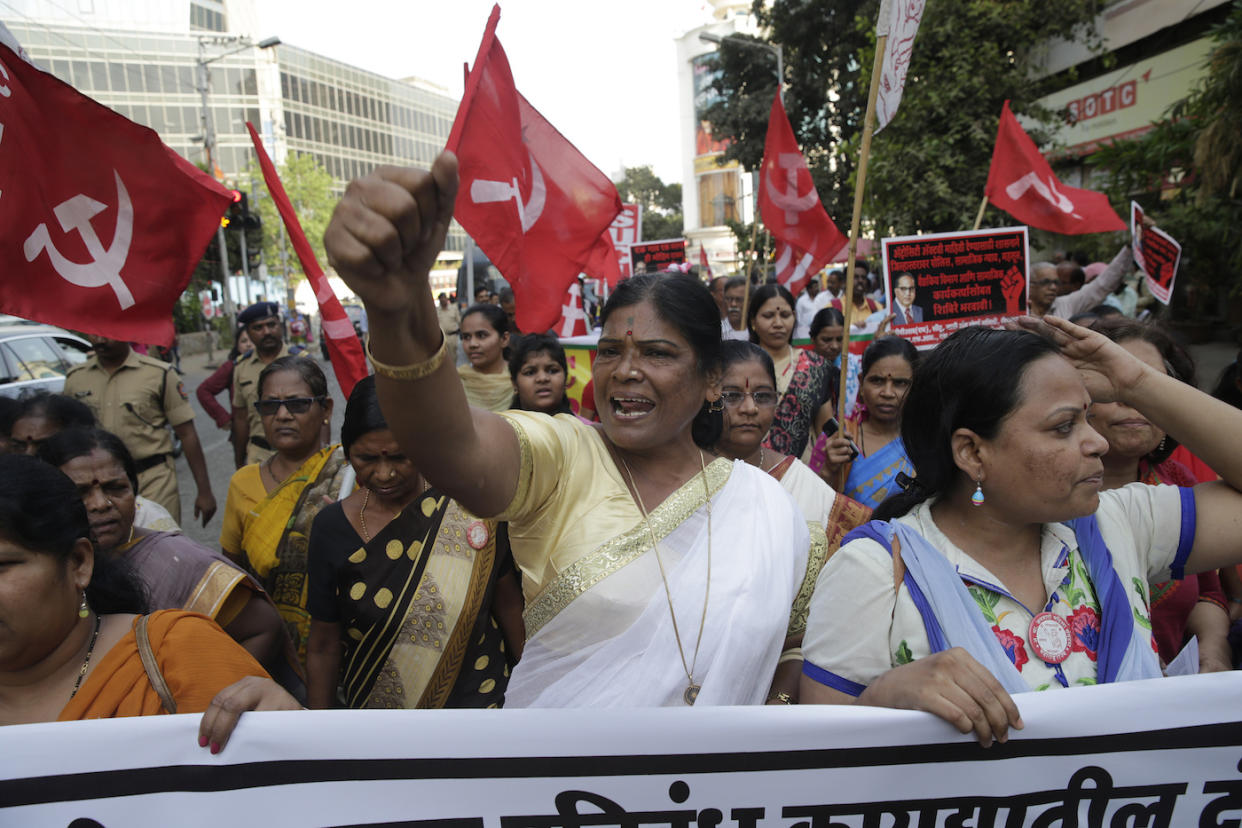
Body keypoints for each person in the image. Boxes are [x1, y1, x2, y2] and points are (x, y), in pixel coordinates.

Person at [324, 158, 808, 707]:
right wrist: (397, 311)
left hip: (710, 790)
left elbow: (790, 649)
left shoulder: (765, 506)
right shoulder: (564, 452)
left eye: (656, 353)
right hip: (566, 788)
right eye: (609, 352)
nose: (625, 371)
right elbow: (448, 444)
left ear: (712, 380)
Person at [800, 318, 1242, 746]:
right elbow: (818, 766)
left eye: (1089, 419)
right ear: (972, 452)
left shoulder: (1119, 523)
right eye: (1064, 427)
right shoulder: (876, 569)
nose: (1097, 443)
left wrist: (1135, 383)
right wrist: (885, 699)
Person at [0, 454, 271, 726]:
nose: (101, 503)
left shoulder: (176, 655)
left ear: (79, 563)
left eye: (3, 565)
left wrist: (283, 726)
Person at [305, 376, 524, 709]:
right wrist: (316, 737)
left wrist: (536, 692)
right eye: (366, 459)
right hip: (381, 723)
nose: (384, 474)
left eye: (399, 457)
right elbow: (323, 644)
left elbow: (509, 605)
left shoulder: (467, 507)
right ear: (347, 452)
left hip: (481, 710)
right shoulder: (331, 527)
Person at [39, 427, 289, 675]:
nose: (100, 504)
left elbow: (264, 628)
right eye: (81, 493)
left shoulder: (178, 561)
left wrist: (205, 696)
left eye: (116, 488)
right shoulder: (40, 565)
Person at [712, 341, 873, 700]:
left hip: (782, 675)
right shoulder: (676, 479)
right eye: (732, 396)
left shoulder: (799, 483)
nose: (750, 408)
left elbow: (840, 596)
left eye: (764, 396)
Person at [1090, 318, 1232, 674]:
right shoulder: (1039, 502)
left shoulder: (1178, 485)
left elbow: (1207, 593)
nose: (1132, 404)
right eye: (1113, 387)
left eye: (1146, 388)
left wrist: (1213, 650)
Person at [221, 356, 348, 664]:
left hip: (341, 647)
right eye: (269, 405)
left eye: (297, 404)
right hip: (271, 651)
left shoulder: (349, 478)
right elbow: (234, 577)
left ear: (326, 410)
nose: (282, 415)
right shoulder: (243, 483)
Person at [63, 334, 215, 527]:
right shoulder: (75, 379)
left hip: (153, 480)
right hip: (97, 484)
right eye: (94, 333)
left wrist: (204, 491)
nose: (100, 340)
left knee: (159, 546)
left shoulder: (159, 373)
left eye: (108, 334)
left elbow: (186, 433)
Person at [13, 392, 179, 533]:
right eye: (19, 445)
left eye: (44, 445)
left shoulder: (146, 519)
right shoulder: (15, 509)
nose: (29, 455)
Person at [818, 337, 917, 508]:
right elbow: (812, 506)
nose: (887, 393)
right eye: (877, 381)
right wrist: (828, 470)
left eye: (900, 383)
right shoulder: (839, 438)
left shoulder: (925, 441)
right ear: (861, 383)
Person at [748, 283, 833, 459]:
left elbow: (824, 434)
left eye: (785, 315)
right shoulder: (738, 365)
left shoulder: (816, 366)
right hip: (750, 471)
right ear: (753, 321)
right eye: (768, 316)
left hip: (801, 474)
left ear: (794, 317)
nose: (778, 323)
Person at [233, 301, 295, 468]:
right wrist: (239, 462)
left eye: (271, 325)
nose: (267, 332)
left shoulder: (302, 361)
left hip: (299, 453)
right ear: (248, 333)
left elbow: (321, 410)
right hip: (259, 455)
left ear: (280, 325)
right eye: (258, 328)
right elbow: (240, 418)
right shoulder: (241, 367)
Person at [1029, 247, 1133, 319]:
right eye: (1046, 282)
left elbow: (1102, 285)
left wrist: (1128, 250)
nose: (1053, 287)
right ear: (1030, 285)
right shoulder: (1017, 312)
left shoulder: (1066, 304)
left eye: (1056, 282)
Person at [458, 303, 515, 413]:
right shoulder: (456, 382)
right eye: (466, 337)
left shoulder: (520, 381)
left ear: (504, 339)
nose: (472, 344)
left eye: (481, 335)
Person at [197, 327, 253, 432]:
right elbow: (203, 391)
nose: (249, 344)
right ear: (237, 346)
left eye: (252, 340)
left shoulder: (272, 364)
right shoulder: (231, 367)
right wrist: (223, 418)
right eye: (244, 341)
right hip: (243, 432)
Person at [508, 333, 573, 415]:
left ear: (565, 378)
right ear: (514, 383)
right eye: (530, 372)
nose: (542, 378)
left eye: (552, 371)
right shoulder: (502, 426)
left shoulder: (581, 427)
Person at [721, 276, 749, 341]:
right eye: (729, 299)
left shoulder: (758, 331)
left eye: (739, 299)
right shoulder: (718, 331)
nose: (733, 304)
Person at [436, 291, 462, 357]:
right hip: (441, 338)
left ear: (447, 299)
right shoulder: (437, 310)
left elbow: (459, 321)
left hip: (452, 337)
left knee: (453, 356)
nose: (443, 300)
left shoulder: (453, 308)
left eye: (444, 298)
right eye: (441, 299)